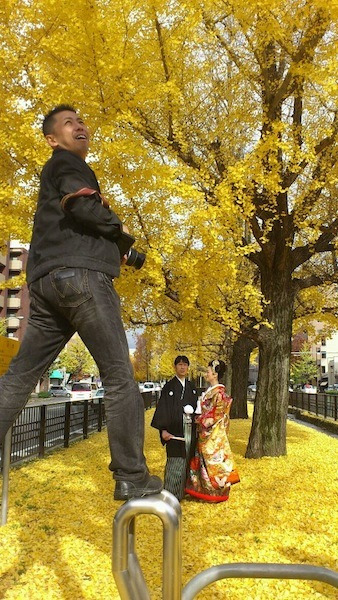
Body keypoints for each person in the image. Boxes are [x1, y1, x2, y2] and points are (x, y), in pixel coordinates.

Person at [0, 104, 162, 501]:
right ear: (53, 139)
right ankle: (131, 475)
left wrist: (119, 248)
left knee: (20, 376)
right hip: (83, 280)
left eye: (82, 121)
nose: (80, 126)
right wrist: (120, 234)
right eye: (69, 123)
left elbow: (74, 214)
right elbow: (82, 203)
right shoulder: (66, 163)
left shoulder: (52, 175)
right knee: (119, 375)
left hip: (46, 286)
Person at [185, 359, 239, 502]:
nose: (206, 374)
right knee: (205, 462)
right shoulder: (212, 392)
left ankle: (215, 492)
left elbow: (215, 416)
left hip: (212, 433)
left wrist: (200, 419)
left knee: (213, 462)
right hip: (206, 431)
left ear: (215, 374)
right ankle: (202, 490)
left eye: (208, 371)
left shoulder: (219, 393)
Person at [151, 355, 197, 500]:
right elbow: (163, 409)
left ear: (188, 368)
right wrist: (163, 430)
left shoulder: (192, 387)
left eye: (185, 365)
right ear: (175, 367)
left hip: (190, 429)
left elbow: (197, 408)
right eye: (180, 365)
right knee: (175, 460)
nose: (183, 367)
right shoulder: (169, 387)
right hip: (174, 430)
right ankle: (171, 493)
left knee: (188, 459)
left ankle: (184, 491)